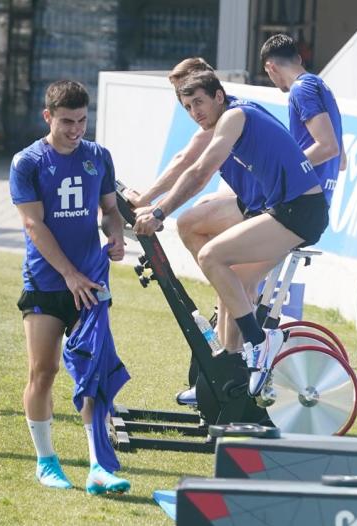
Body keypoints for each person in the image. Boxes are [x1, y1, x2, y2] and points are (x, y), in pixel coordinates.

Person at [134, 71, 329, 396]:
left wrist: (158, 212)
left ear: (218, 97)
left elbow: (199, 172)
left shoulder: (235, 116)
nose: (195, 112)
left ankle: (259, 341)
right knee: (232, 287)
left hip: (300, 212)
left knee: (213, 257)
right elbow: (192, 165)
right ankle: (228, 375)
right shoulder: (232, 117)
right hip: (284, 210)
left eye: (199, 102)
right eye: (187, 107)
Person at [10, 80, 131, 494]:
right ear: (48, 117)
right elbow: (33, 224)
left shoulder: (99, 157)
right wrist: (68, 274)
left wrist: (115, 235)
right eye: (67, 122)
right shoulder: (27, 162)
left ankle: (99, 465)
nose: (76, 129)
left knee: (93, 374)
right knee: (43, 371)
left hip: (92, 283)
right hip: (47, 283)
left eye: (82, 120)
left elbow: (111, 210)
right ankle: (46, 462)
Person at [260, 33, 345, 203]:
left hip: (302, 199)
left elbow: (329, 147)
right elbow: (341, 161)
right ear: (299, 59)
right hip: (320, 200)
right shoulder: (321, 87)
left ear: (271, 68)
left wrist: (281, 170)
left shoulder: (300, 90)